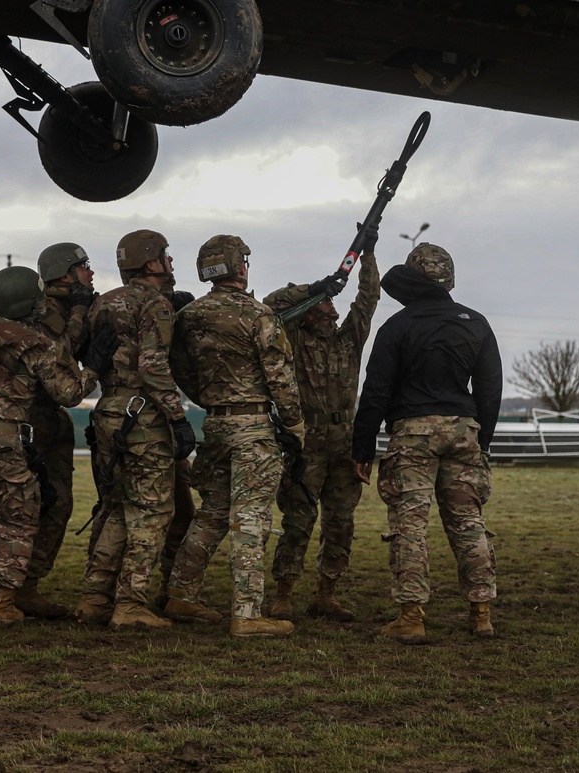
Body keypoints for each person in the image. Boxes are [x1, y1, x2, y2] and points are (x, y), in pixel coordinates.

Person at [0, 266, 116, 628]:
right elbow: (69, 393)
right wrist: (92, 368)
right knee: (17, 521)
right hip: (5, 439)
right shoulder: (36, 342)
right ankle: (4, 604)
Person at [352, 242, 502, 643]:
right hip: (463, 429)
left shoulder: (397, 326)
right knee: (469, 522)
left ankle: (411, 618)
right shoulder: (477, 323)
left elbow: (376, 392)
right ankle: (481, 613)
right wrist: (480, 441)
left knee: (410, 527)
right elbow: (489, 389)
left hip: (412, 433)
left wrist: (362, 448)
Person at [165, 235, 305, 638]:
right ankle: (246, 612)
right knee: (251, 518)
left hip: (215, 424)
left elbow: (182, 371)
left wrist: (210, 398)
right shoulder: (258, 314)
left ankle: (181, 592)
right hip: (253, 428)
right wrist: (295, 425)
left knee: (212, 511)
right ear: (240, 267)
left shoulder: (188, 317)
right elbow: (280, 375)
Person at [74, 229, 196, 631]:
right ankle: (131, 603)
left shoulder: (103, 303)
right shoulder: (155, 304)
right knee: (153, 512)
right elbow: (153, 366)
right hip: (143, 418)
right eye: (167, 255)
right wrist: (178, 418)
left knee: (116, 509)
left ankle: (95, 597)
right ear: (151, 261)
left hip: (108, 412)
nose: (172, 263)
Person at [0, 242, 97, 620]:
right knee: (11, 506)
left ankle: (28, 585)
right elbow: (58, 353)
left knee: (57, 504)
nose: (90, 273)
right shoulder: (33, 309)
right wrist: (78, 310)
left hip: (51, 423)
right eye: (84, 266)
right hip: (26, 422)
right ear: (66, 273)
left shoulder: (67, 305)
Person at [262, 226, 380, 622]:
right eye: (325, 303)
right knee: (298, 519)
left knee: (341, 522)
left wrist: (368, 254)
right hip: (307, 442)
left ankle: (326, 593)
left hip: (345, 441)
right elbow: (273, 305)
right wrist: (313, 287)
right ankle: (284, 592)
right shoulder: (292, 337)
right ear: (310, 310)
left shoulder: (348, 339)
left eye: (331, 302)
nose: (333, 307)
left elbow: (367, 300)